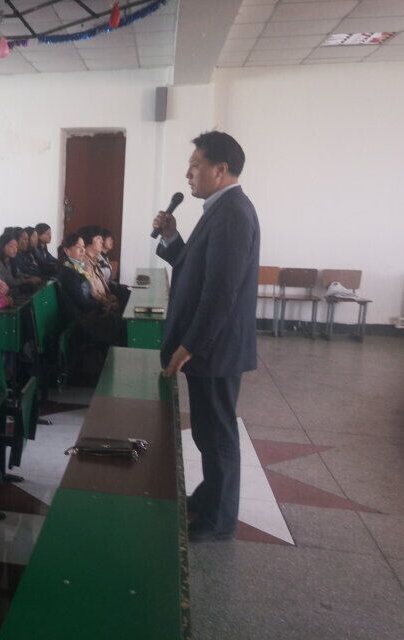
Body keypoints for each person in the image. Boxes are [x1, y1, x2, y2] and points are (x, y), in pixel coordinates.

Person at [152, 131, 259, 543]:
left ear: (220, 169)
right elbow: (195, 269)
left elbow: (219, 293)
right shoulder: (221, 209)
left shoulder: (232, 214)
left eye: (195, 165)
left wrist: (189, 346)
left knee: (216, 435)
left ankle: (219, 520)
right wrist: (170, 236)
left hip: (214, 348)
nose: (188, 174)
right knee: (207, 432)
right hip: (213, 347)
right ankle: (210, 496)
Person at [56, 232, 126, 346]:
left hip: (86, 314)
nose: (83, 250)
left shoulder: (77, 268)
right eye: (78, 247)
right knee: (120, 323)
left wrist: (103, 304)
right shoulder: (68, 273)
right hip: (80, 321)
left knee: (119, 318)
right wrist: (102, 306)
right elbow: (82, 303)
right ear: (67, 251)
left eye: (83, 247)